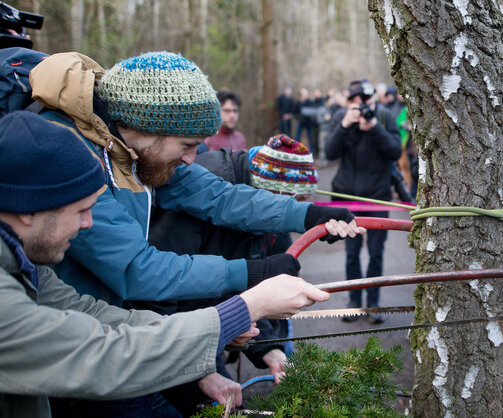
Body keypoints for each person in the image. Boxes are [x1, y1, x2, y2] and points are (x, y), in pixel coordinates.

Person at [28, 51, 361, 415]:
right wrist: (251, 276)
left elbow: (217, 195)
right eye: (187, 146)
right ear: (147, 125)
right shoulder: (76, 156)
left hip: (122, 334)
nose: (192, 158)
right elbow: (139, 271)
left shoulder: (134, 150)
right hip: (77, 352)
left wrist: (306, 214)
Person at [141, 134, 319, 415]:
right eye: (290, 204)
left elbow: (238, 291)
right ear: (271, 195)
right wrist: (199, 372)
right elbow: (157, 297)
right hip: (160, 343)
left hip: (198, 333)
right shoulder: (193, 206)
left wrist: (268, 349)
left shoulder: (255, 218)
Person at [325, 78, 402, 324]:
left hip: (377, 196)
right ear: (350, 102)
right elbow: (330, 153)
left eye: (368, 101)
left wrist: (375, 127)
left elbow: (395, 152)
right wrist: (346, 125)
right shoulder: (340, 117)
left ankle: (374, 304)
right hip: (347, 197)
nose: (364, 106)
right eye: (359, 102)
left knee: (376, 253)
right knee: (351, 252)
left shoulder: (386, 116)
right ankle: (354, 302)